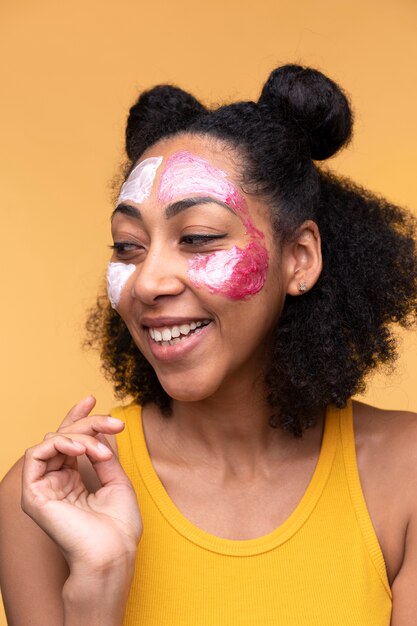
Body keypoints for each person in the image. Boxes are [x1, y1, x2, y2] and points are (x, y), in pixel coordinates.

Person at [1, 64, 417, 626]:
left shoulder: (405, 474)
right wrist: (98, 581)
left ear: (300, 258)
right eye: (128, 247)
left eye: (197, 238)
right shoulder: (47, 498)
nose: (149, 282)